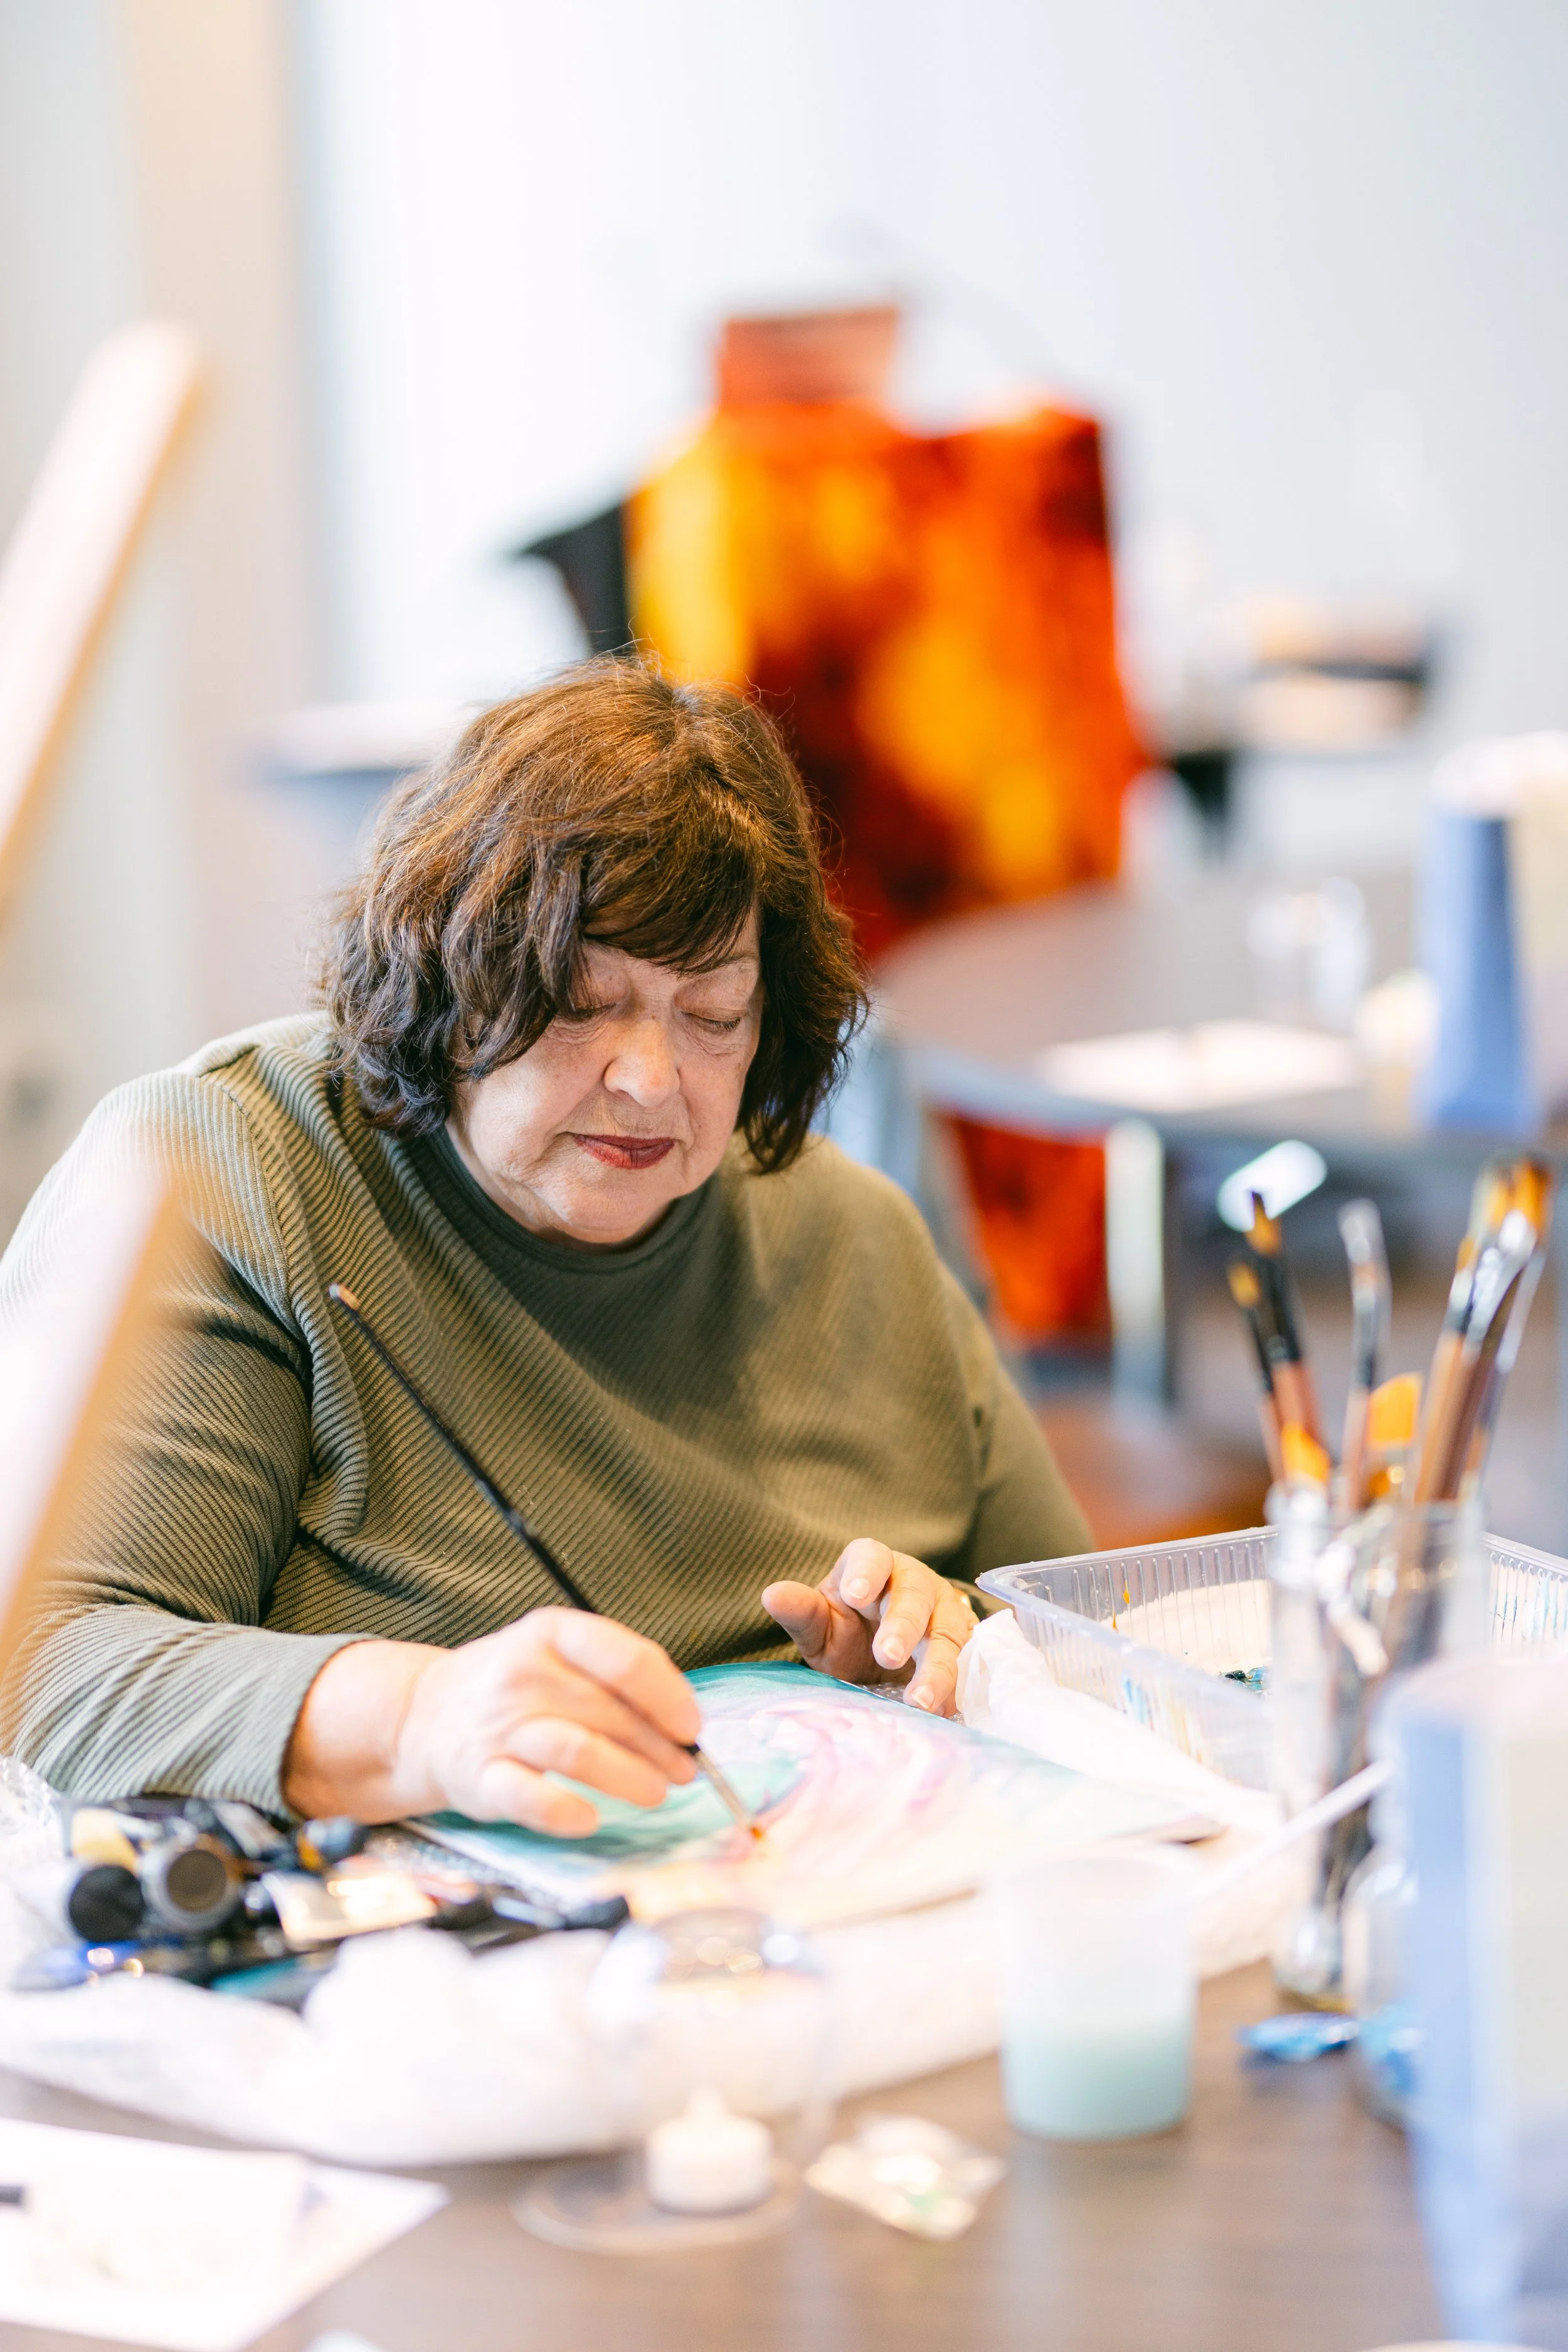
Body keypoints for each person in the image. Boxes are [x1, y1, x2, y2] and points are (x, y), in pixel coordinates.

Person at [0, 660, 1089, 1831]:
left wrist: (955, 1660)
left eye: (713, 1015)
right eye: (581, 999)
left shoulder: (852, 1234)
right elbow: (48, 1664)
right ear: (445, 974)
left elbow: (1088, 1650)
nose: (651, 1080)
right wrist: (422, 1716)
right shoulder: (229, 1169)